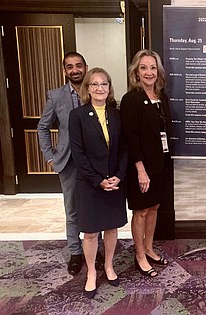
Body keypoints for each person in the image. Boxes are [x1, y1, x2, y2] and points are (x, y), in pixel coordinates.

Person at [37, 52, 104, 275]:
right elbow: (42, 127)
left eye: (78, 66)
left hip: (95, 162)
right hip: (69, 163)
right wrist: (50, 155)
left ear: (86, 67)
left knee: (95, 207)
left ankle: (97, 249)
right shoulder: (56, 96)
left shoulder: (94, 91)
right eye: (69, 67)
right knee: (72, 210)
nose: (74, 70)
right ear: (64, 70)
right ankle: (76, 252)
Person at [68, 67, 128, 298]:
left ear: (109, 88)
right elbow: (78, 153)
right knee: (91, 233)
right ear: (87, 89)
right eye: (94, 84)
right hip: (90, 184)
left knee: (111, 228)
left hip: (114, 181)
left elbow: (124, 149)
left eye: (104, 84)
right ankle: (92, 272)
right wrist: (98, 180)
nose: (100, 88)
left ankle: (110, 266)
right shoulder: (78, 116)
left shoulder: (116, 114)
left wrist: (119, 176)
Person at [120, 49, 172, 278]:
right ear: (136, 72)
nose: (149, 72)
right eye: (144, 68)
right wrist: (141, 170)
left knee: (154, 207)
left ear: (158, 71)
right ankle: (139, 254)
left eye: (152, 67)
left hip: (161, 164)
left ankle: (149, 248)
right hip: (141, 167)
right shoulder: (131, 99)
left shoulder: (162, 97)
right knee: (141, 211)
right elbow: (130, 137)